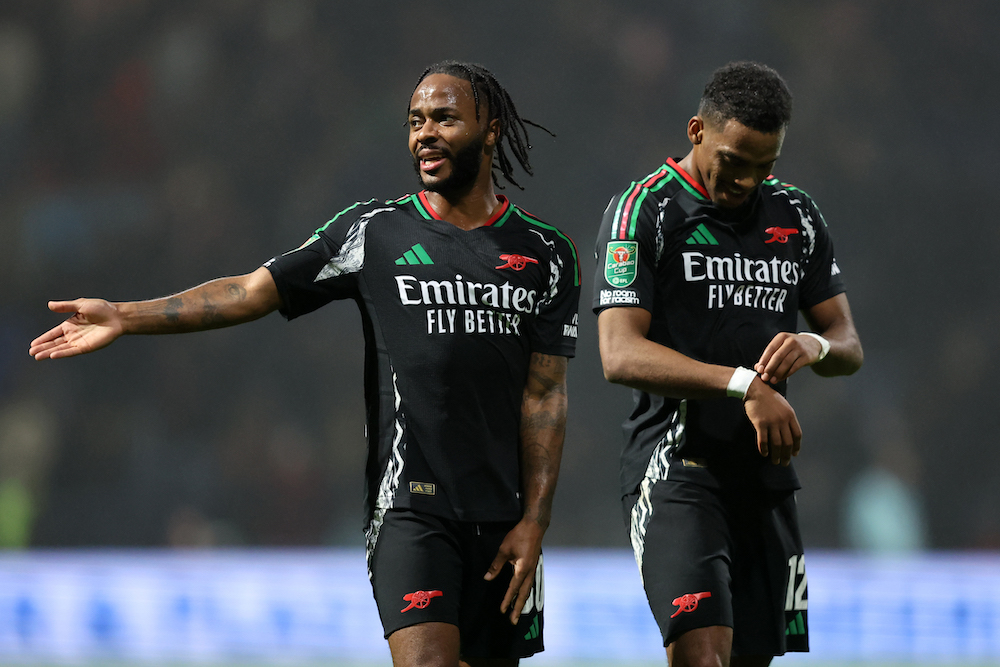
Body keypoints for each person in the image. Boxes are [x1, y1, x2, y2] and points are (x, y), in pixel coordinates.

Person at [29, 60, 580, 667]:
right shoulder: (374, 232)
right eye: (415, 121)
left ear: (492, 129)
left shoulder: (547, 254)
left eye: (445, 119)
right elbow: (250, 291)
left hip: (503, 521)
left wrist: (535, 520)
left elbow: (545, 395)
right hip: (412, 509)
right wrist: (126, 315)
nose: (425, 133)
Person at [594, 61, 863, 667]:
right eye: (734, 161)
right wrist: (745, 386)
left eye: (764, 166)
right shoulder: (644, 210)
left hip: (765, 479)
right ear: (696, 131)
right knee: (703, 658)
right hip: (677, 468)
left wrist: (815, 346)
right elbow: (619, 352)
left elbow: (848, 343)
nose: (746, 181)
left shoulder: (795, 214)